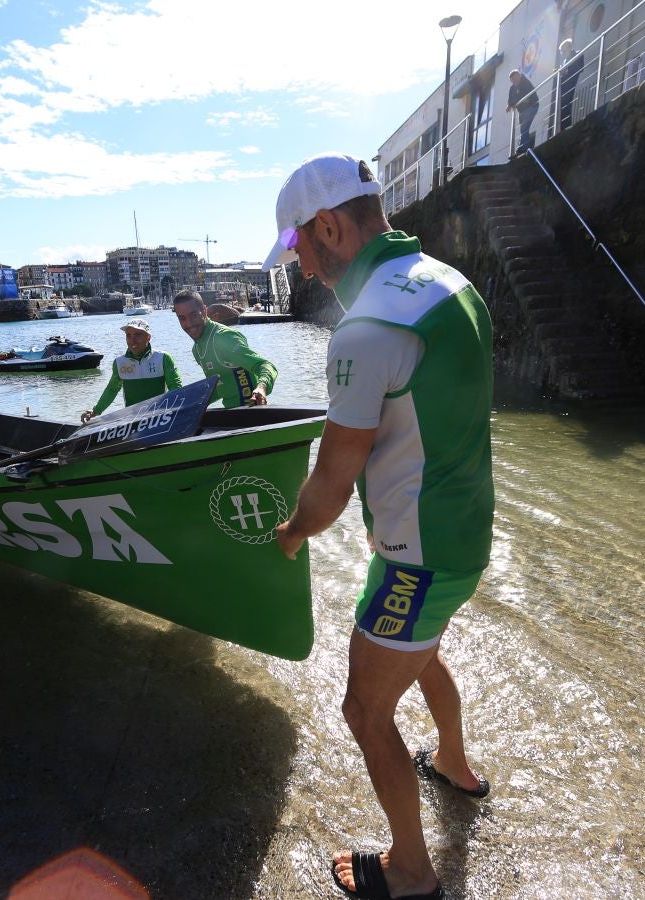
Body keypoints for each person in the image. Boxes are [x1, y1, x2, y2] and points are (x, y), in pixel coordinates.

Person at [262, 152, 494, 900]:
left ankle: (410, 871)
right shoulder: (451, 283)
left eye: (298, 247)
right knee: (420, 653)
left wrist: (292, 533)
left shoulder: (365, 329)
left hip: (417, 557)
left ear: (329, 225)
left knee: (364, 708)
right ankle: (455, 765)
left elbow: (329, 484)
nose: (302, 269)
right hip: (463, 536)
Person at [171, 289, 277, 407]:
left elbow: (266, 366)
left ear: (205, 311)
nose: (189, 323)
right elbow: (222, 386)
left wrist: (262, 388)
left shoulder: (223, 338)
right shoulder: (196, 350)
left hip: (253, 413)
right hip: (230, 415)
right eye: (182, 318)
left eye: (194, 315)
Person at [80, 318, 182, 424]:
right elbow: (112, 389)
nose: (132, 341)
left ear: (148, 337)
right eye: (128, 335)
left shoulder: (163, 358)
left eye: (137, 335)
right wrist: (96, 411)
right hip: (133, 421)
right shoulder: (119, 363)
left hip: (158, 420)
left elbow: (176, 388)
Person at [506, 69, 539, 154]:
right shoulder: (512, 88)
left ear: (519, 76)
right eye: (512, 80)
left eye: (516, 78)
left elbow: (522, 97)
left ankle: (523, 149)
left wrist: (513, 103)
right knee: (523, 129)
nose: (515, 81)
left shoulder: (525, 82)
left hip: (532, 106)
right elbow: (510, 100)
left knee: (524, 128)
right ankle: (521, 148)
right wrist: (510, 105)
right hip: (522, 110)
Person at [557, 38, 585, 131]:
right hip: (565, 84)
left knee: (567, 105)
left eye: (563, 50)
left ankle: (566, 127)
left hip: (571, 82)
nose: (563, 53)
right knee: (563, 106)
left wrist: (566, 71)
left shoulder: (577, 54)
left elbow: (580, 68)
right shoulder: (565, 60)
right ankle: (564, 128)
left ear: (568, 47)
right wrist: (562, 72)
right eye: (562, 51)